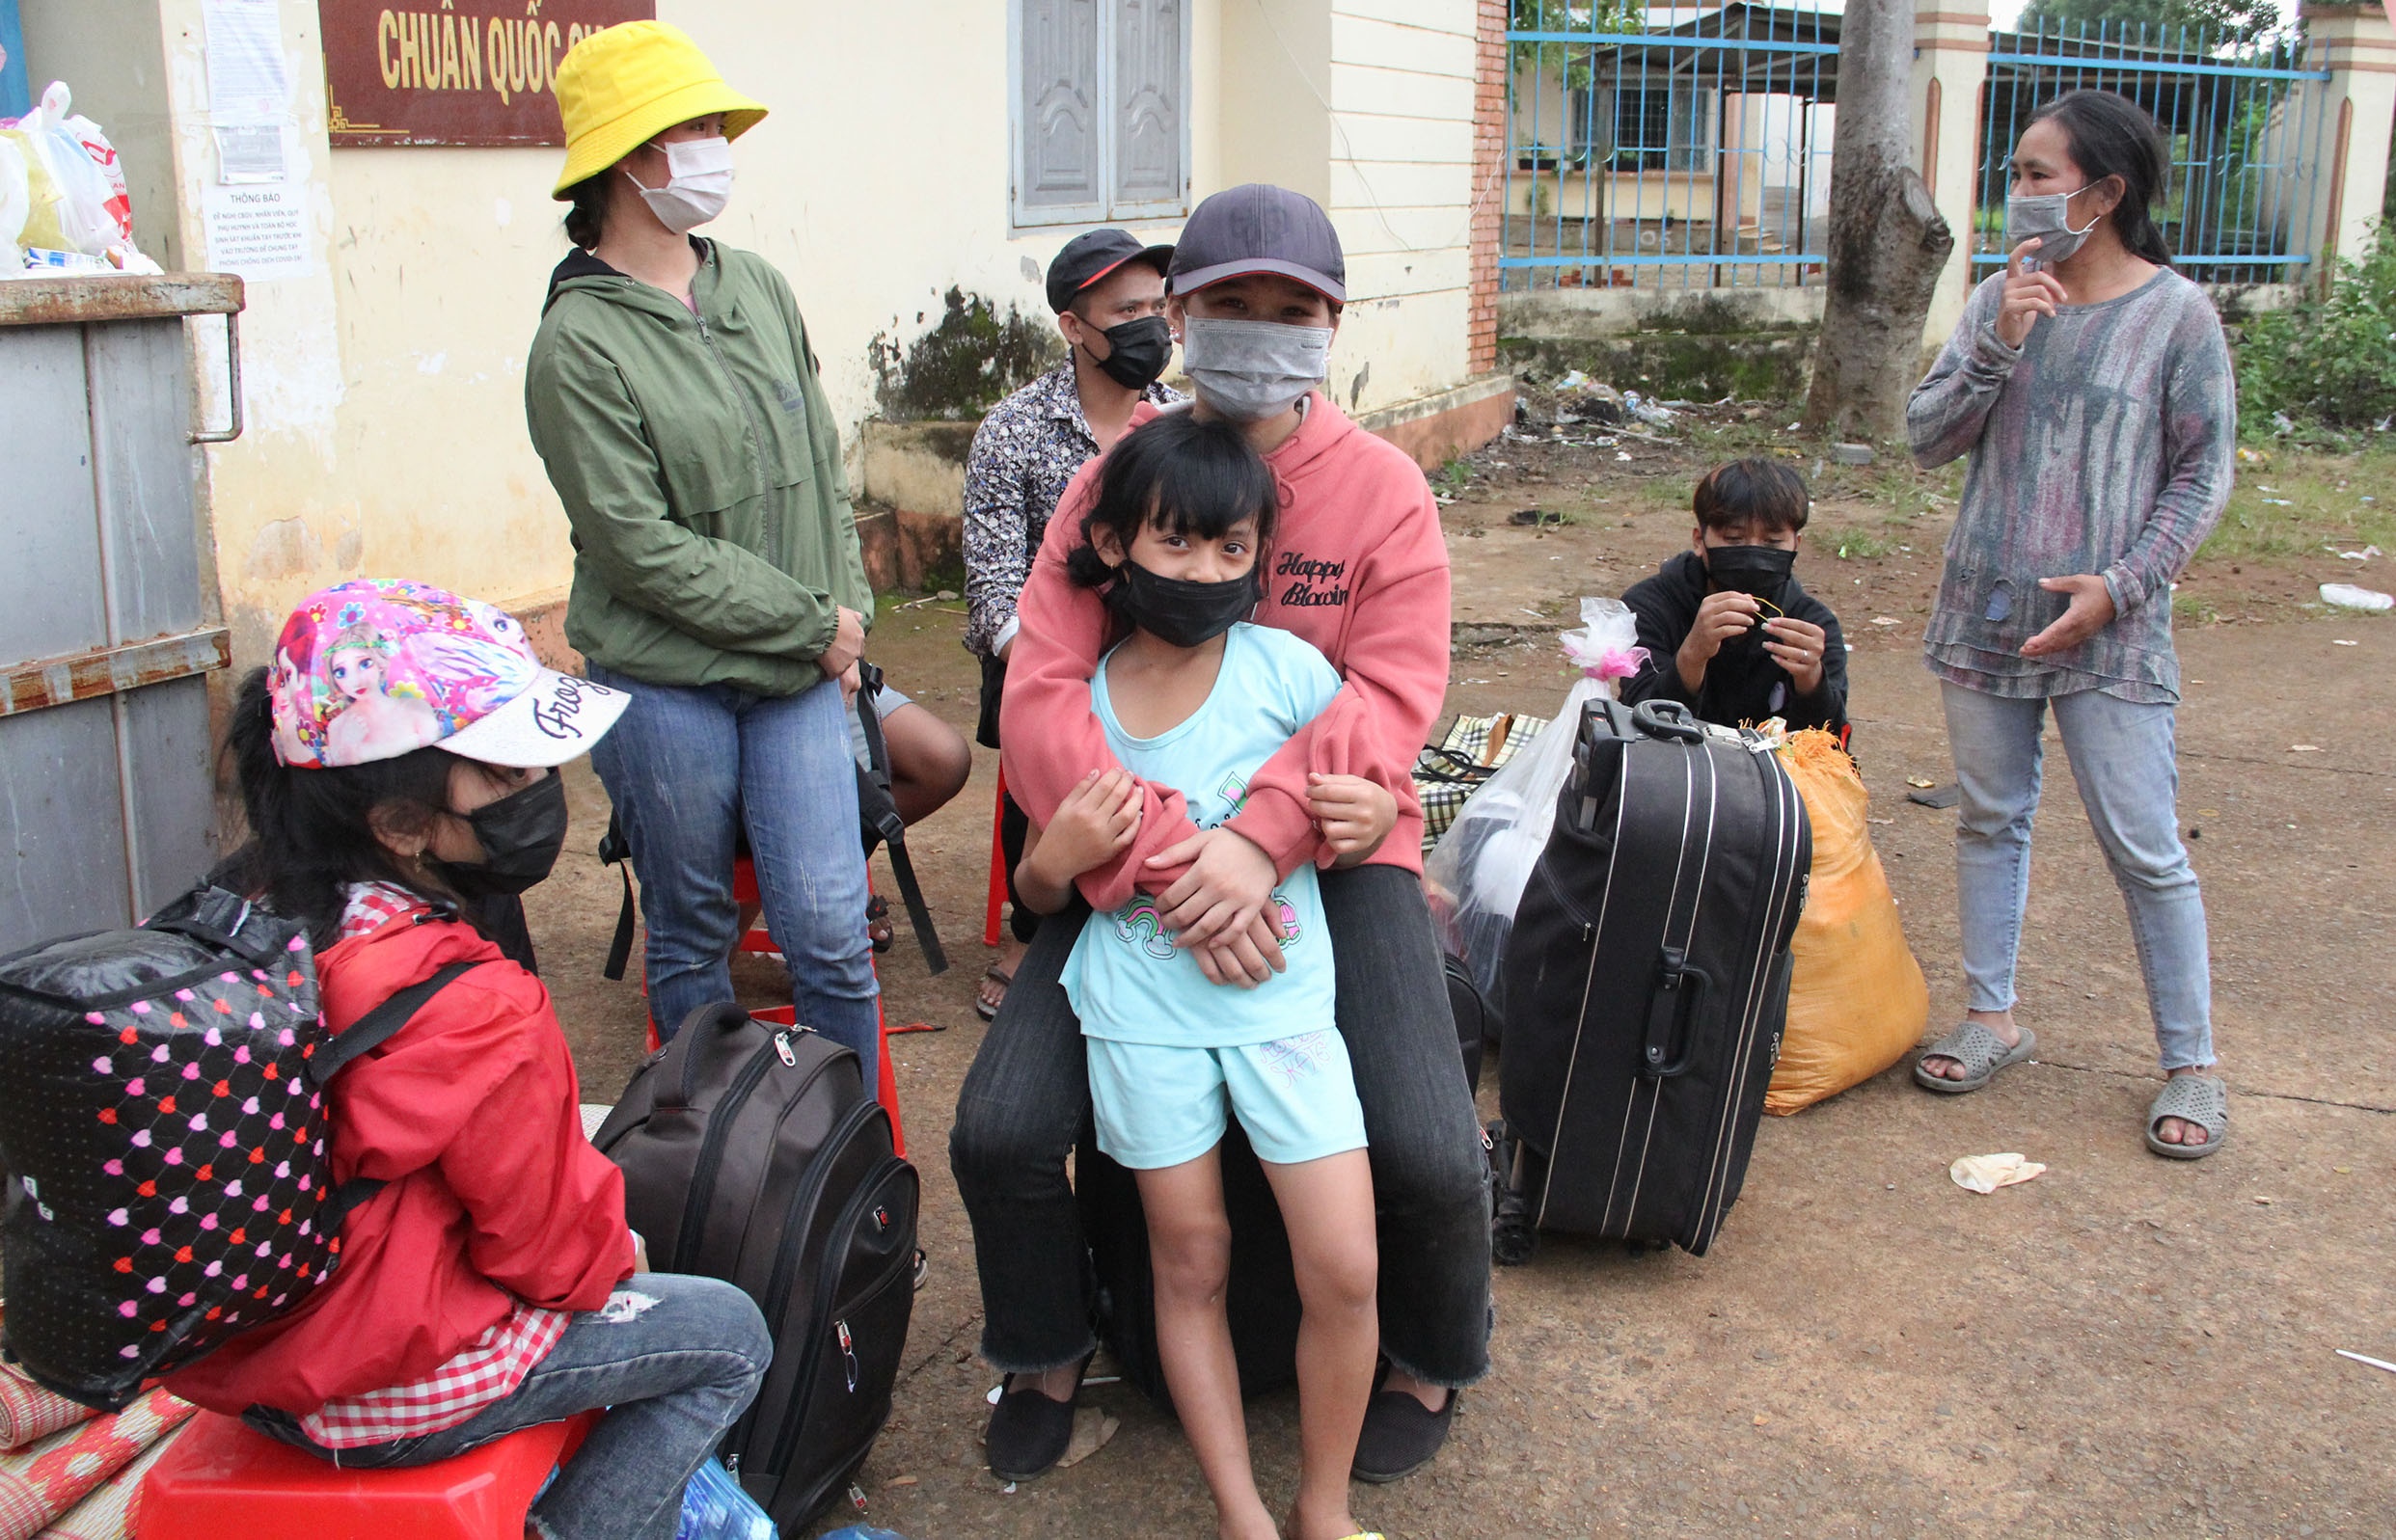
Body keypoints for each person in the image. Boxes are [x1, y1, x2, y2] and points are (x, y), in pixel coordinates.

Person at [953, 183, 1489, 1486]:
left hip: (1336, 847)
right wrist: (1156, 864)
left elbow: (1393, 691)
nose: (1261, 329)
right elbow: (1038, 687)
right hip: (1136, 861)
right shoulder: (1114, 477)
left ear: (1331, 324)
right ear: (1181, 318)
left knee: (1423, 1138)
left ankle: (1429, 1352)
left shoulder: (1383, 493)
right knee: (1004, 1127)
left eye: (1290, 309)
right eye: (1230, 305)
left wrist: (1263, 839)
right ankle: (1043, 1344)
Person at [171, 579, 771, 1540]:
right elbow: (552, 1256)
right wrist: (619, 1248)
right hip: (368, 1395)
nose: (538, 795)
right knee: (727, 1333)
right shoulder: (470, 1003)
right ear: (399, 824)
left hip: (229, 1362)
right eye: (501, 776)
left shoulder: (232, 917)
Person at [1015, 414, 1388, 1540]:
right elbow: (1039, 888)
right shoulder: (1075, 708)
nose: (1208, 571)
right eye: (1178, 544)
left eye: (1234, 549)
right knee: (1190, 1263)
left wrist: (1370, 819)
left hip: (1283, 1013)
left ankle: (1321, 1507)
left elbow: (1366, 801)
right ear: (1118, 543)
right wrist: (1054, 861)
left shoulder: (1295, 675)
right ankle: (1246, 1516)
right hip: (1145, 1025)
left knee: (1346, 1270)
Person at [526, 22, 880, 1083]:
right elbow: (639, 549)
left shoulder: (756, 285)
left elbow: (821, 462)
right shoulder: (577, 344)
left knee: (828, 931)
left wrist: (848, 614)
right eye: (694, 126)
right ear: (630, 157)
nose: (717, 143)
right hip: (666, 679)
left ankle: (849, 1179)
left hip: (799, 673)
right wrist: (817, 624)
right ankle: (721, 1169)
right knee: (692, 932)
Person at [1906, 89, 2234, 1157]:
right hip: (1986, 609)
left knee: (2143, 846)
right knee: (1990, 818)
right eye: (2015, 174)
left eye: (2038, 175)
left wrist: (2122, 585)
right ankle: (1992, 1014)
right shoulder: (2002, 298)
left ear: (2105, 192)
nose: (2017, 195)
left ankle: (2191, 1064)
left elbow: (2202, 476)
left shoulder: (2176, 317)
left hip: (2112, 627)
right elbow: (1927, 437)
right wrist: (1998, 341)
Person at [964, 229, 1183, 1019]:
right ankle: (1034, 923)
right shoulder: (1013, 429)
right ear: (1073, 326)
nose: (1148, 327)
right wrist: (1053, 669)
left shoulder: (1177, 429)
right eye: (1125, 310)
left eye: (1157, 307)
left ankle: (1151, 878)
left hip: (1159, 645)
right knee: (1042, 722)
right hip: (1041, 646)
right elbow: (992, 585)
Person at [1620, 457, 1849, 735]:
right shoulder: (1648, 606)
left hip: (1769, 773)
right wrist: (1693, 653)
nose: (1752, 554)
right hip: (1673, 770)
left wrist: (1812, 679)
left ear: (1795, 545)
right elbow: (1638, 720)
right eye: (1733, 539)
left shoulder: (1811, 626)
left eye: (1772, 542)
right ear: (1699, 540)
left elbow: (1829, 745)